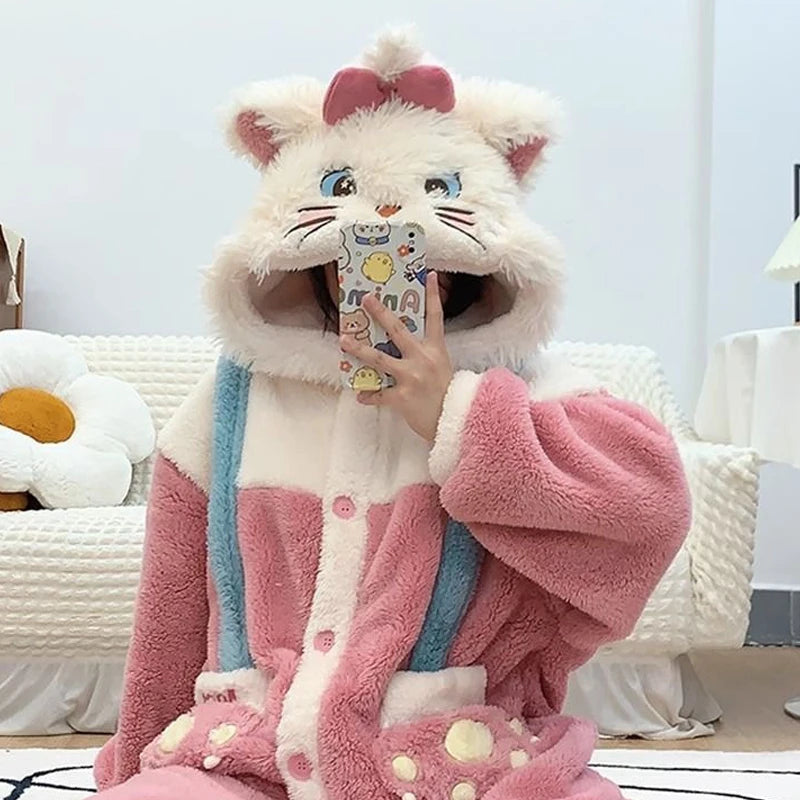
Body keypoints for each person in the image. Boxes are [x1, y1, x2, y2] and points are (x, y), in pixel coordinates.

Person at [93, 31, 690, 800]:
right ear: (312, 262)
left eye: (418, 260)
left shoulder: (533, 391)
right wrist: (133, 768)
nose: (384, 280)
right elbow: (169, 614)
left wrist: (456, 418)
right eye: (356, 257)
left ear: (474, 264)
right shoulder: (232, 403)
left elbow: (651, 511)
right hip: (251, 749)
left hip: (458, 757)